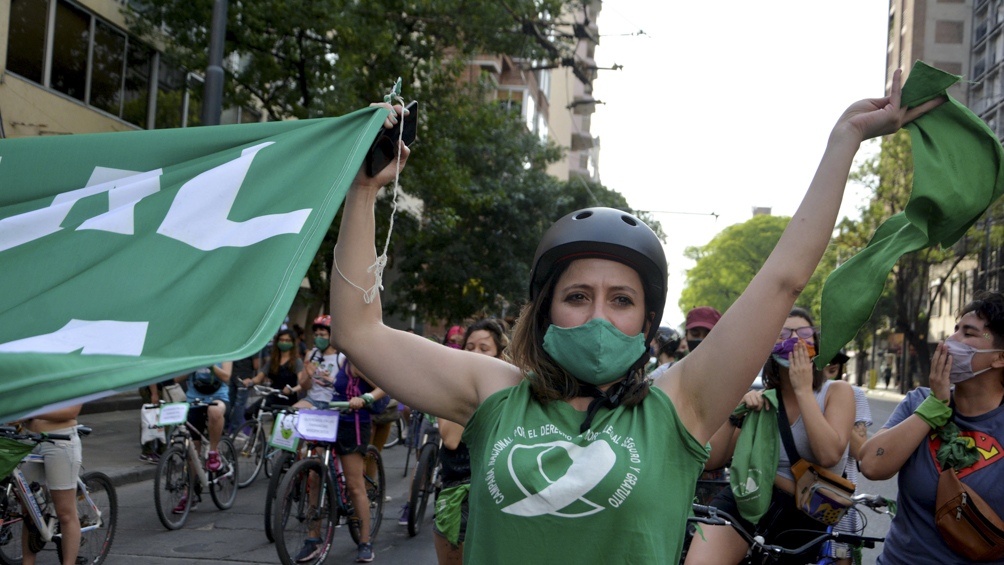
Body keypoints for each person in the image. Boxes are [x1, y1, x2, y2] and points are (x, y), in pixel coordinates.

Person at [329, 74, 942, 562]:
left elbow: (783, 277)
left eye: (621, 300)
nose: (599, 315)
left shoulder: (680, 406)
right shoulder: (493, 392)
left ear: (649, 325)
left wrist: (843, 142)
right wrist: (362, 194)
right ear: (545, 312)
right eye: (577, 297)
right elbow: (361, 332)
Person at [685, 309, 855, 565]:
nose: (794, 340)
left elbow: (829, 454)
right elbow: (713, 460)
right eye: (784, 335)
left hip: (802, 516)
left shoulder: (836, 392)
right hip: (748, 498)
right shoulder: (763, 401)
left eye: (804, 334)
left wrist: (802, 391)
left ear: (816, 346)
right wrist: (734, 415)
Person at [859, 292, 1004, 564]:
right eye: (955, 330)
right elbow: (871, 464)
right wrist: (935, 407)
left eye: (968, 334)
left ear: (999, 358)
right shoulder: (919, 401)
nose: (951, 341)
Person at [293, 352, 386, 563]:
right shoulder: (344, 361)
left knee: (354, 485)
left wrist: (365, 398)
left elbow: (384, 386)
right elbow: (340, 386)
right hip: (331, 419)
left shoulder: (360, 361)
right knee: (315, 476)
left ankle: (365, 542)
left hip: (353, 424)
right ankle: (312, 539)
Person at [433, 319, 510, 565]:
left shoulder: (504, 390)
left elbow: (452, 439)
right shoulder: (457, 386)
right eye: (470, 347)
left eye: (484, 348)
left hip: (478, 496)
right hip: (456, 491)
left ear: (499, 354)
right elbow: (450, 438)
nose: (475, 354)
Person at [823, 350, 872, 565]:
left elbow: (859, 449)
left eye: (834, 367)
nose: (829, 370)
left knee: (841, 555)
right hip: (800, 495)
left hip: (840, 497)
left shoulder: (854, 395)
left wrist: (836, 404)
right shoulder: (797, 395)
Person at [18, 405, 83, 565]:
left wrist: (29, 412)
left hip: (60, 440)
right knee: (30, 510)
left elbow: (71, 411)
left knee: (65, 512)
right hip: (29, 438)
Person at [172, 361, 232, 513]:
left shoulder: (224, 352)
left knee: (215, 411)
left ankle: (213, 452)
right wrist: (192, 365)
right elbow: (175, 379)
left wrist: (210, 365)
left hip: (218, 397)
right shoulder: (194, 352)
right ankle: (189, 494)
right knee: (192, 451)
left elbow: (226, 377)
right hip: (194, 400)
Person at [244, 328, 303, 416]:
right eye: (281, 340)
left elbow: (301, 384)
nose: (284, 343)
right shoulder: (273, 360)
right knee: (250, 413)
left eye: (287, 340)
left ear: (293, 343)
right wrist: (250, 381)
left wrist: (291, 390)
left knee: (279, 421)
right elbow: (260, 377)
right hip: (273, 394)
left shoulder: (296, 361)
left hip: (288, 398)